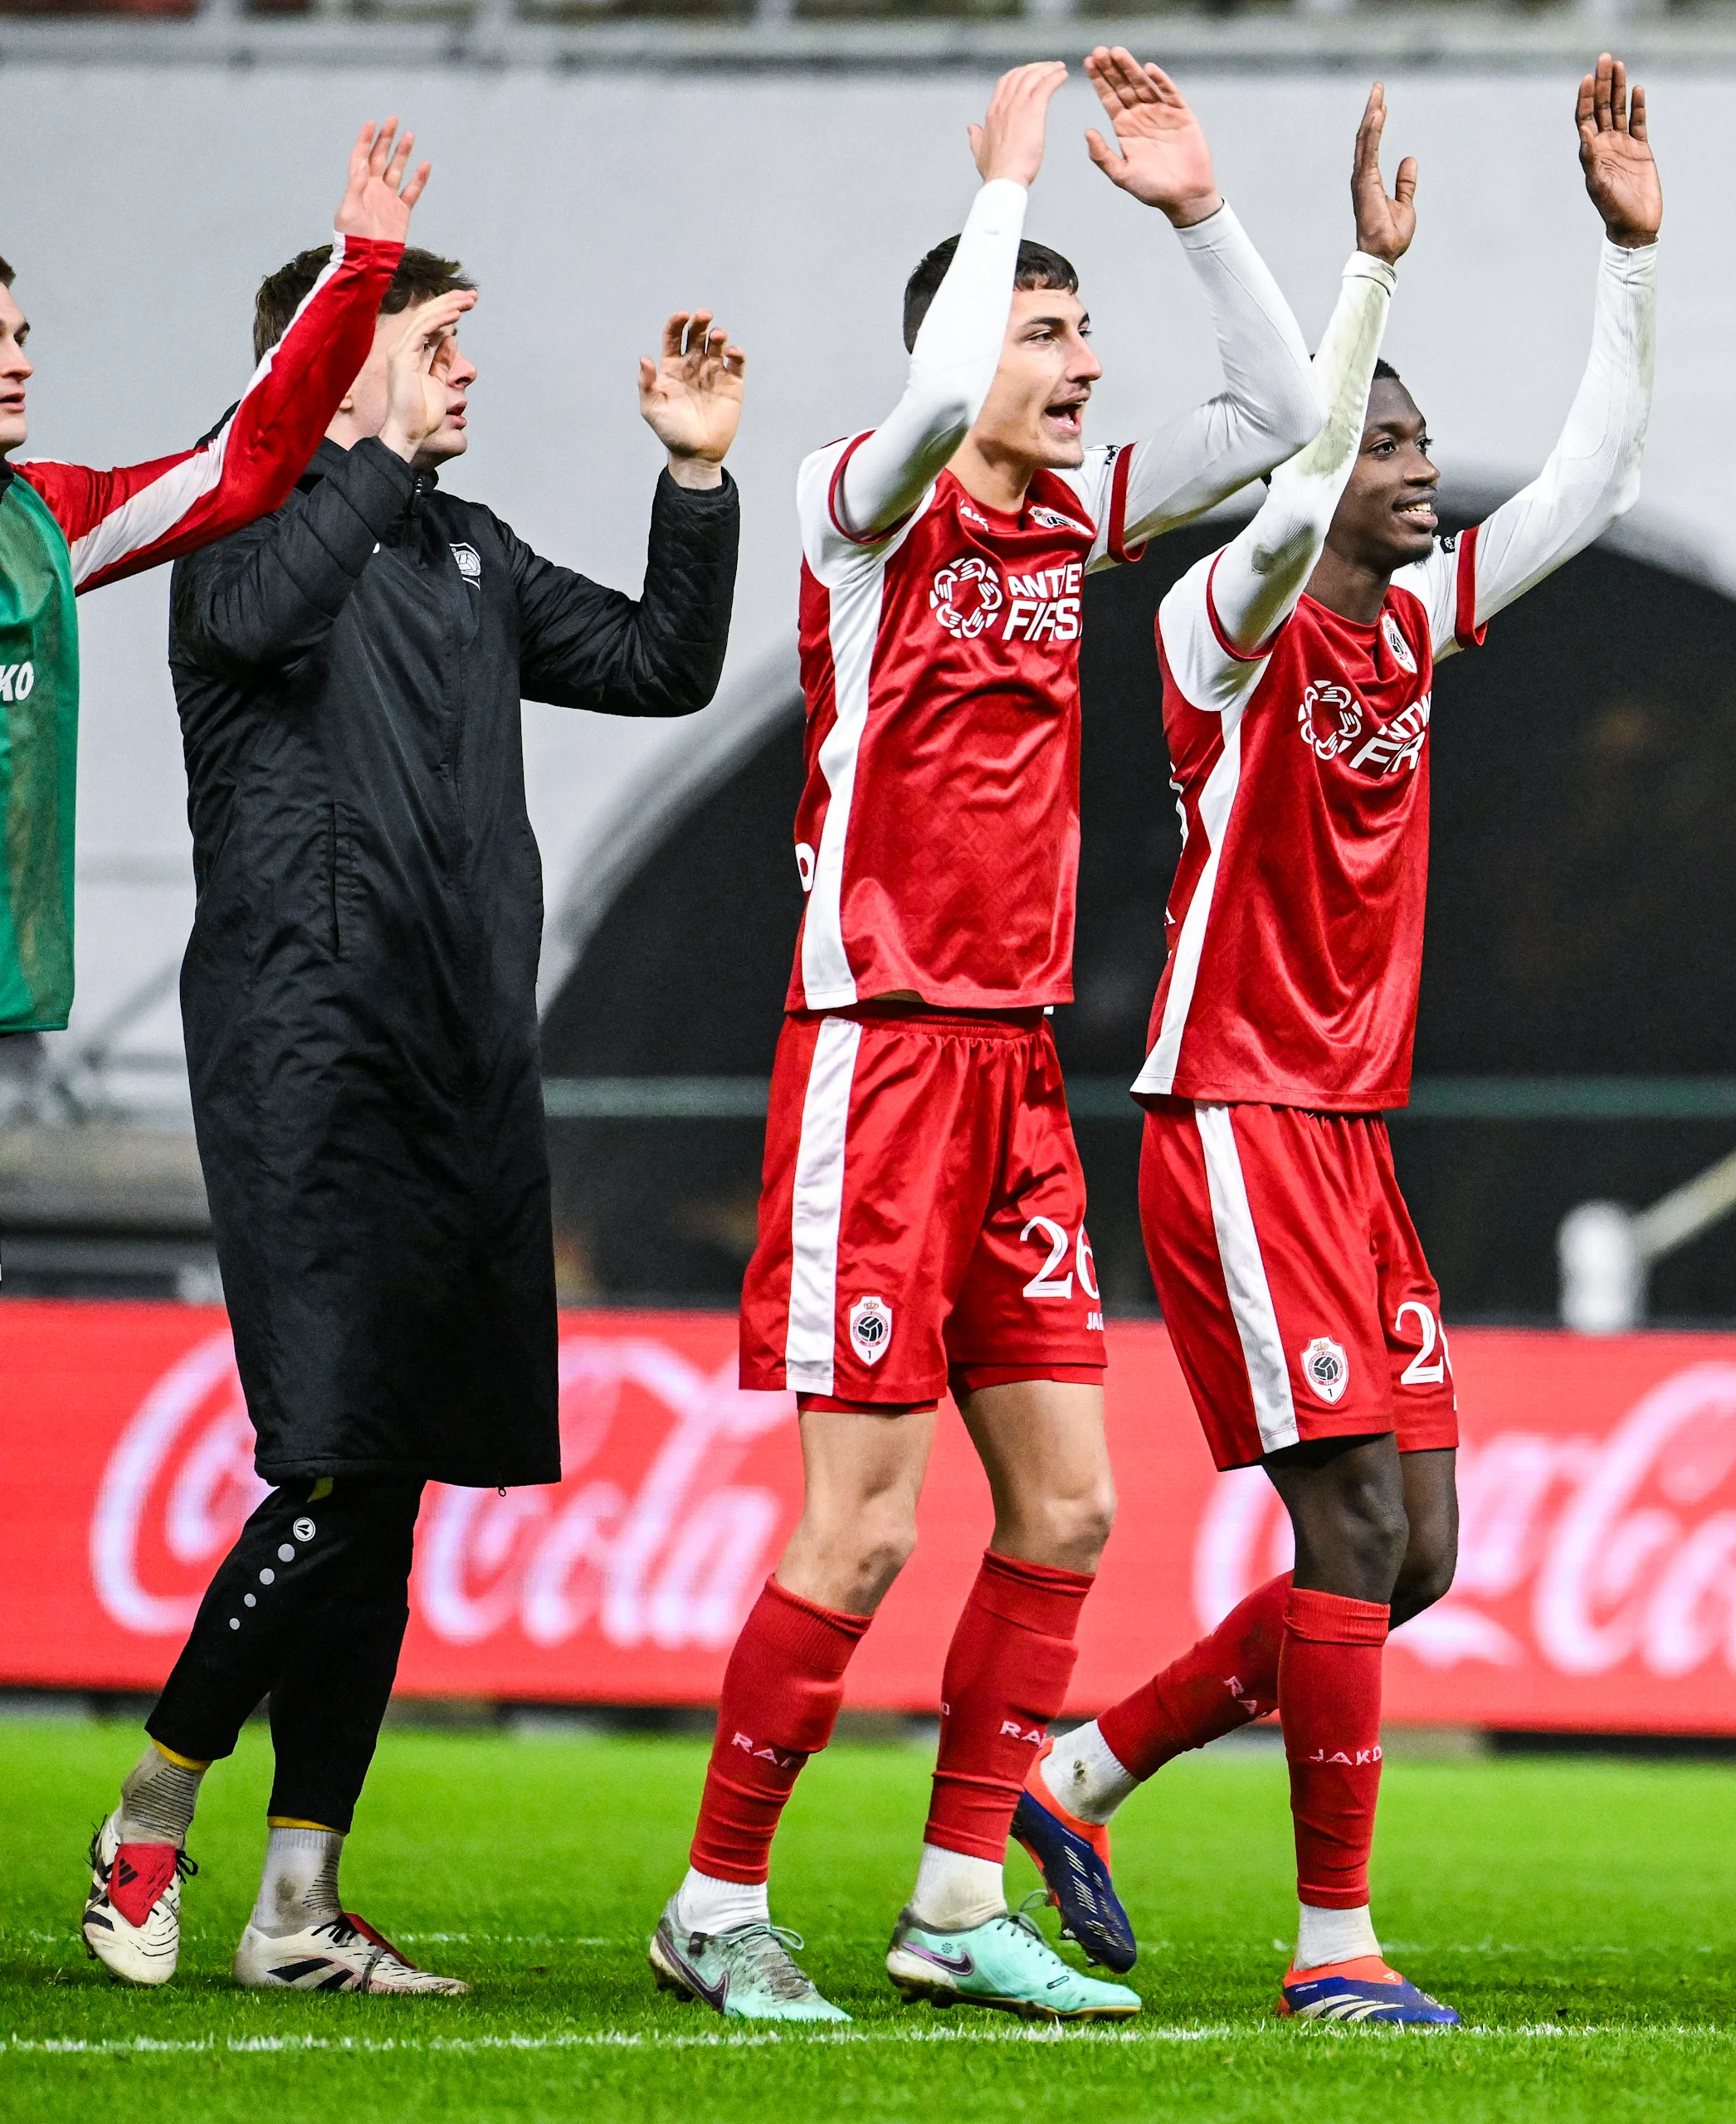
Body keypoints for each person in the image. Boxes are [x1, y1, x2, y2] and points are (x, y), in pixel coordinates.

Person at [654, 51, 1325, 2027]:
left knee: (1070, 1510)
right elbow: (937, 399)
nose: (1080, 364)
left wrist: (1196, 210)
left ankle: (953, 1901)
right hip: (876, 1051)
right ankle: (713, 1900)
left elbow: (1281, 415)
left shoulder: (1069, 531)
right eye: (1049, 325)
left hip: (1016, 1071)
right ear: (966, 342)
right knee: (859, 1530)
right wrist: (1012, 183)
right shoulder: (858, 513)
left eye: (1081, 329)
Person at [1009, 61, 1659, 2028]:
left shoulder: (1406, 629)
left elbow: (1592, 484)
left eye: (1415, 439)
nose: (1411, 459)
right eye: (1387, 439)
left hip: (1347, 1133)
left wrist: (1632, 257)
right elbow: (1286, 483)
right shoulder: (1224, 622)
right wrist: (1354, 288)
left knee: (1425, 1547)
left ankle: (1083, 1768)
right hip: (1232, 1110)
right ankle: (1333, 1948)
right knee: (1353, 1523)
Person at [82, 202, 744, 1998]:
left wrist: (693, 487)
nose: (469, 369)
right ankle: (151, 1815)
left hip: (461, 1059)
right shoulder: (243, 535)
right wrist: (347, 433)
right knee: (341, 1459)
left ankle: (299, 1903)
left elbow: (657, 667)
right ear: (345, 357)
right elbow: (280, 602)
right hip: (310, 1052)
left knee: (389, 1486)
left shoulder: (465, 552)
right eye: (434, 339)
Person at [1, 122, 410, 1143]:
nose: (23, 364)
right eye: (0, 340)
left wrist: (359, 271)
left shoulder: (43, 523)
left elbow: (246, 466)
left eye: (24, 337)